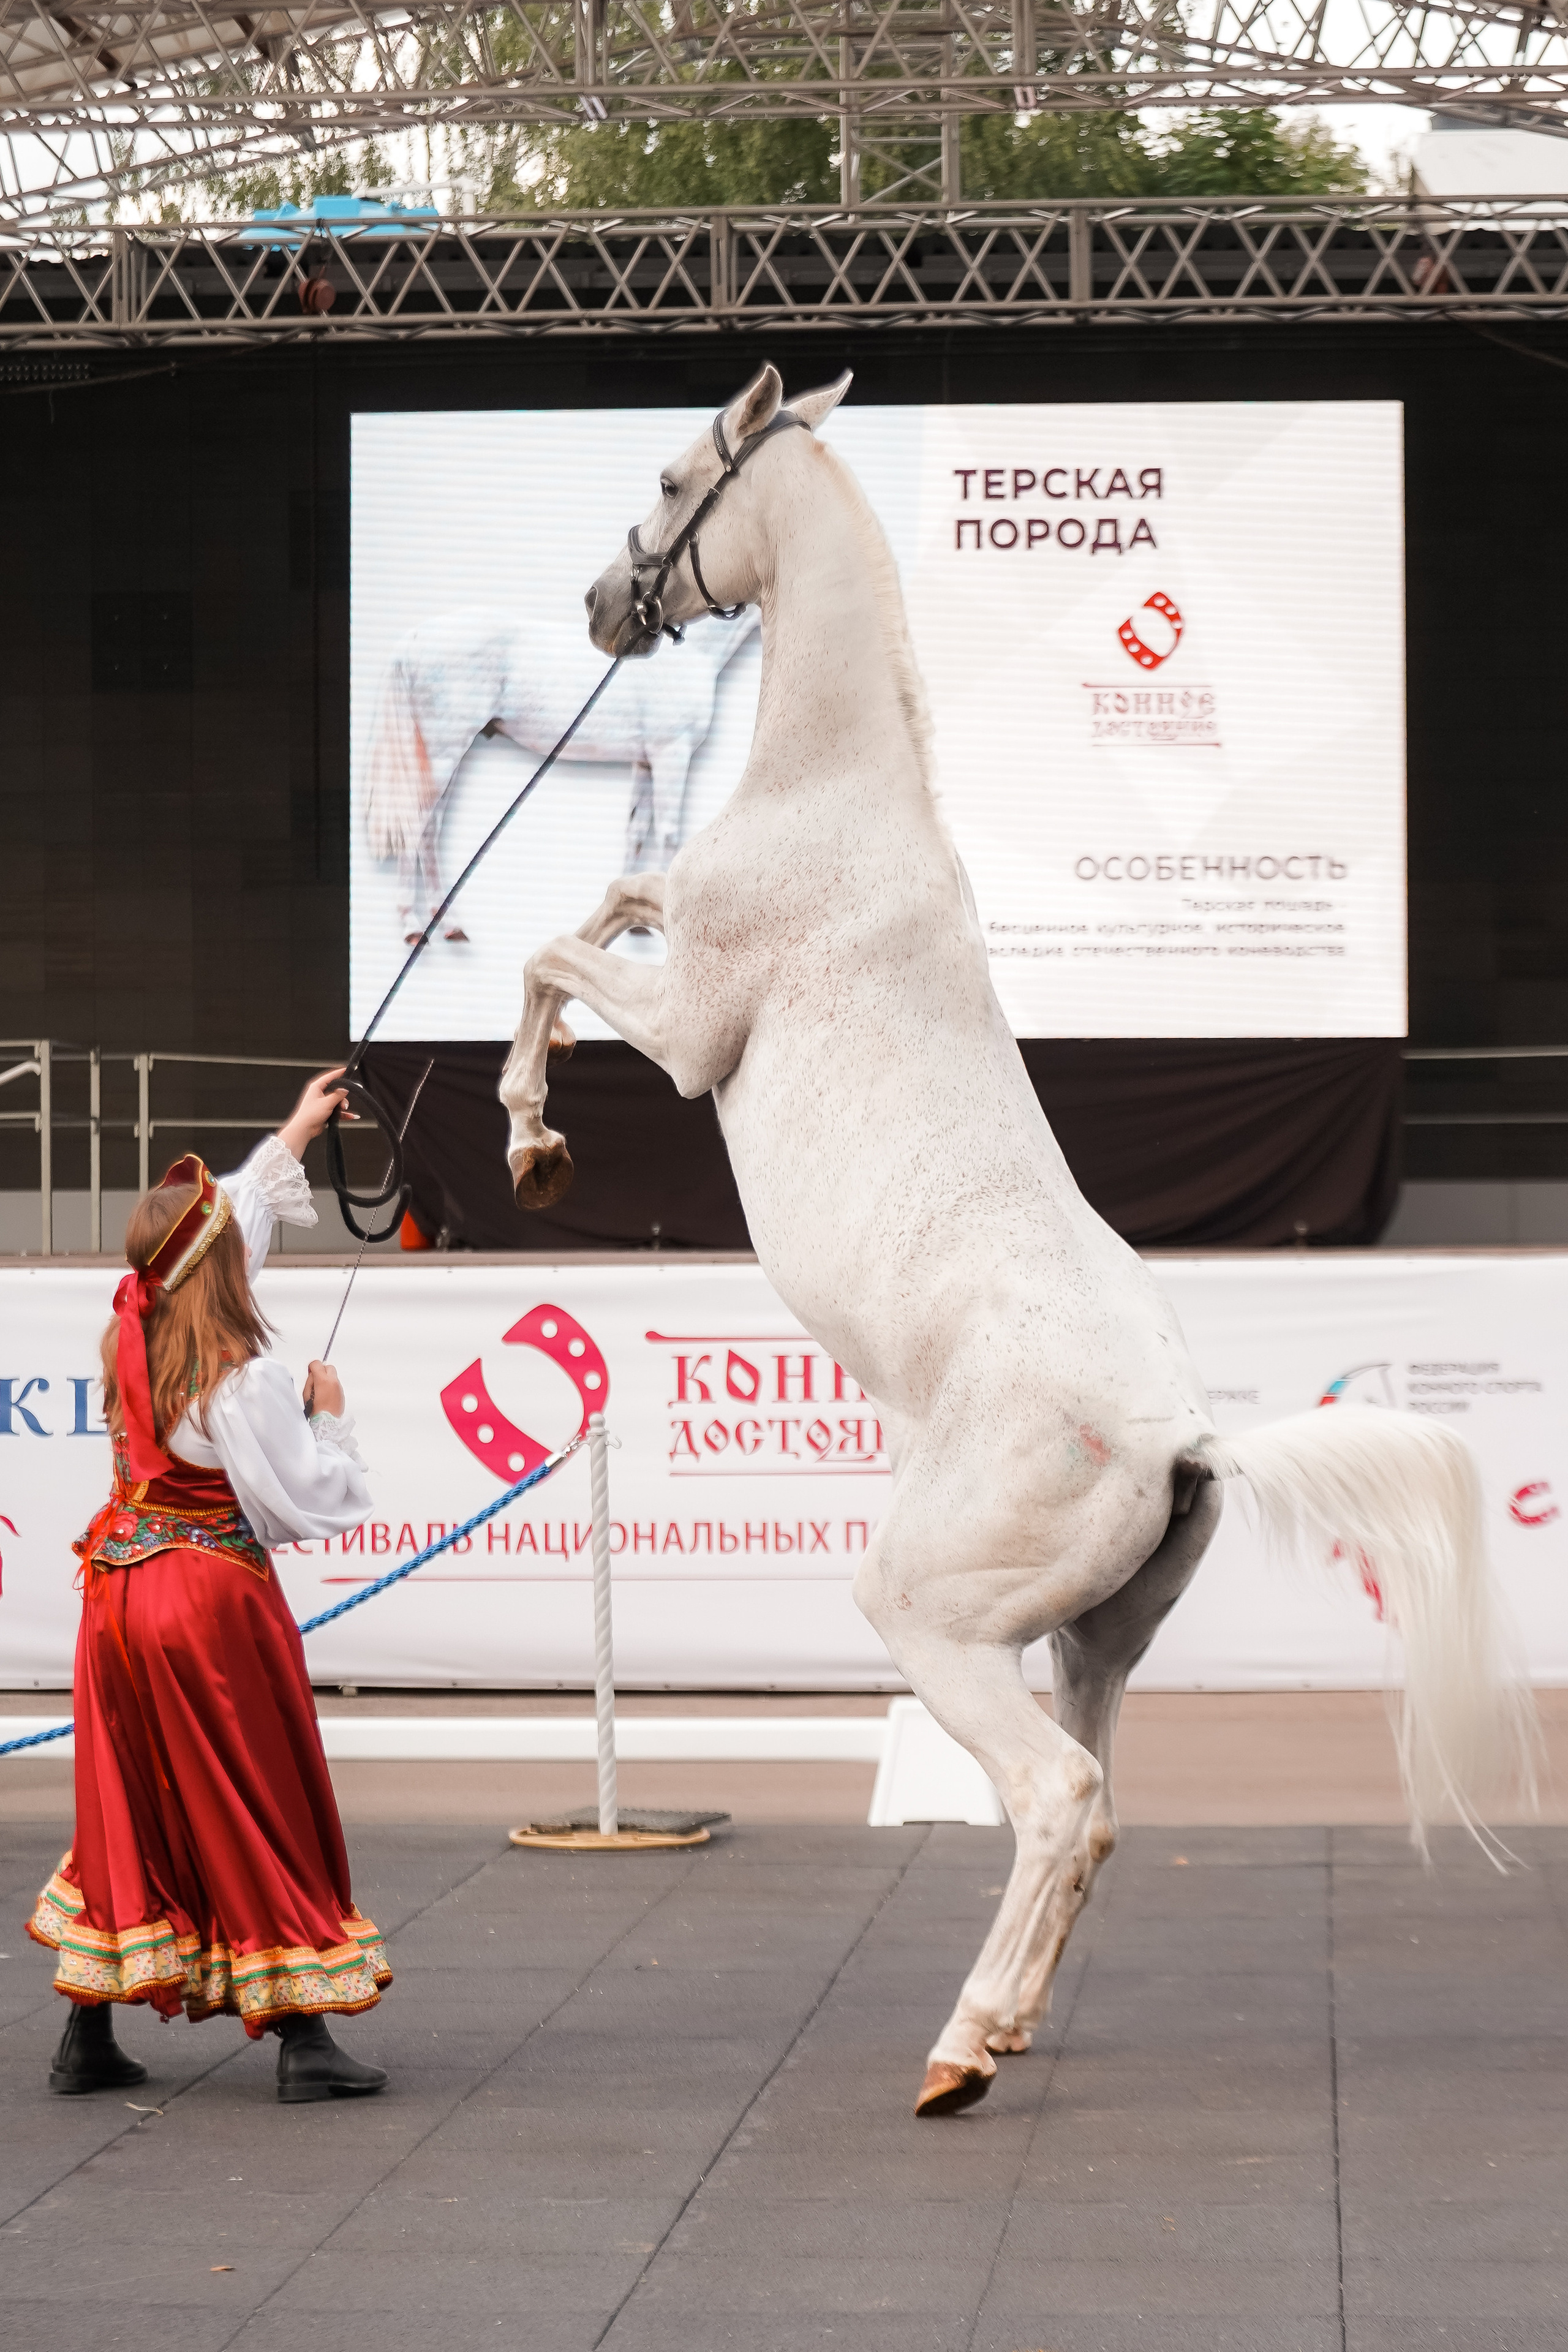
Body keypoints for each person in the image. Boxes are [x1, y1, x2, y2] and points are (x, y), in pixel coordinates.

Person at [27, 1071, 392, 2104]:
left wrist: (294, 1132)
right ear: (215, 1266)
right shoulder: (242, 1376)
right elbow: (305, 1502)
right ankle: (304, 2037)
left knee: (130, 1803)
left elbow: (219, 1231)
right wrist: (329, 1413)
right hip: (205, 1604)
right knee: (253, 1797)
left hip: (117, 1598)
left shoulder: (130, 1325)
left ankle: (87, 2032)